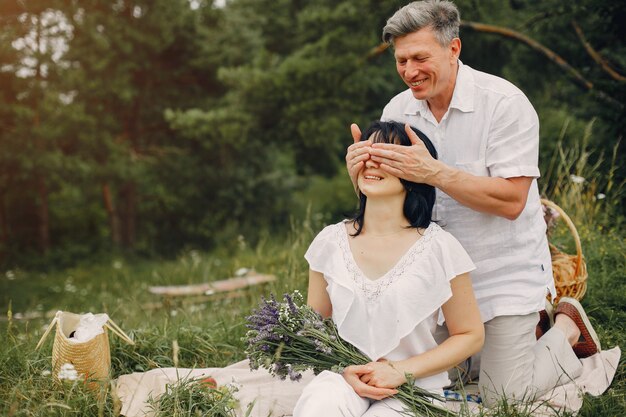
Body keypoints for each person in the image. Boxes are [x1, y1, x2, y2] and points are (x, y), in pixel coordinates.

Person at [344, 0, 601, 407]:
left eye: (420, 58)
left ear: (454, 49)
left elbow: (513, 201)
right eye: (401, 60)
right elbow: (389, 205)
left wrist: (434, 172)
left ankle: (566, 328)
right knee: (419, 381)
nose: (410, 71)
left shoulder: (504, 103)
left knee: (504, 398)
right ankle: (499, 347)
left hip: (504, 273)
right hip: (437, 279)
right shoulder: (398, 109)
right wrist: (359, 175)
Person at [293, 121, 484, 417]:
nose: (371, 162)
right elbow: (314, 326)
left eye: (386, 155)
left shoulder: (439, 247)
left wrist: (400, 370)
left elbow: (470, 334)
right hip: (345, 378)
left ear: (414, 172)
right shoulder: (330, 242)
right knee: (319, 405)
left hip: (414, 386)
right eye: (366, 152)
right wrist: (342, 369)